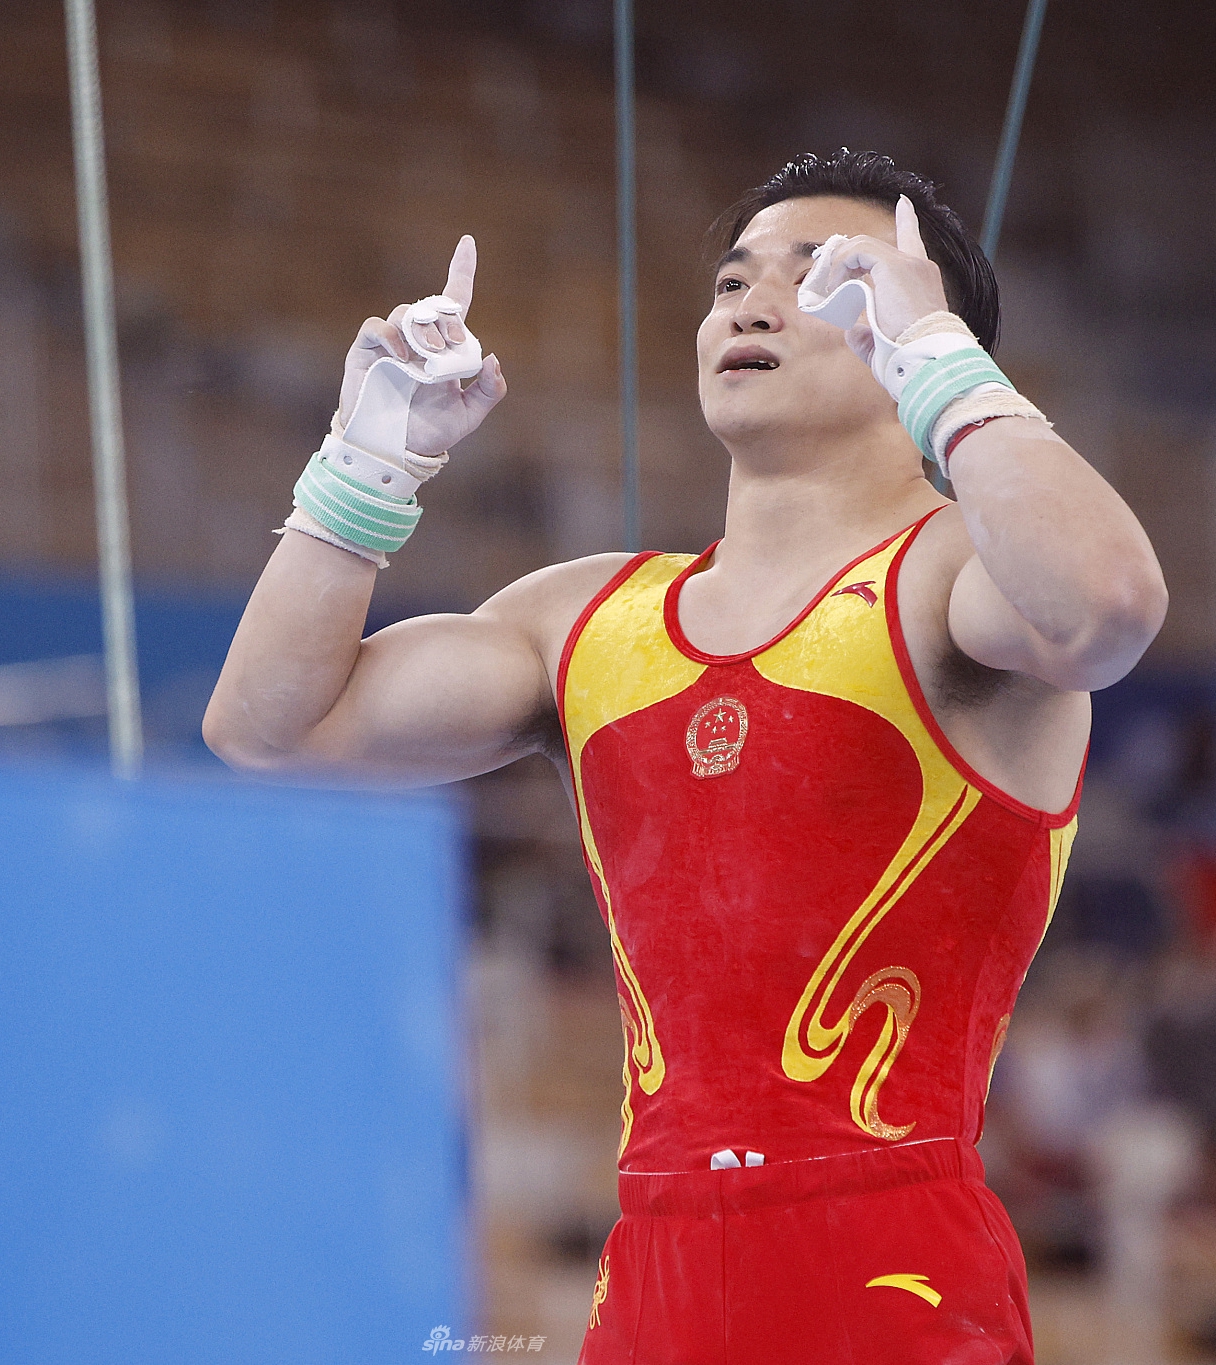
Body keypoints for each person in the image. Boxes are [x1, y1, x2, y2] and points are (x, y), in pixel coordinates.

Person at [204, 149, 1167, 1363]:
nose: (750, 304)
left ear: (908, 329)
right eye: (730, 282)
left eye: (818, 279)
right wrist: (366, 466)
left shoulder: (955, 588)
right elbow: (269, 726)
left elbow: (1106, 608)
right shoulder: (585, 619)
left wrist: (942, 364)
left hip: (888, 1268)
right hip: (648, 1280)